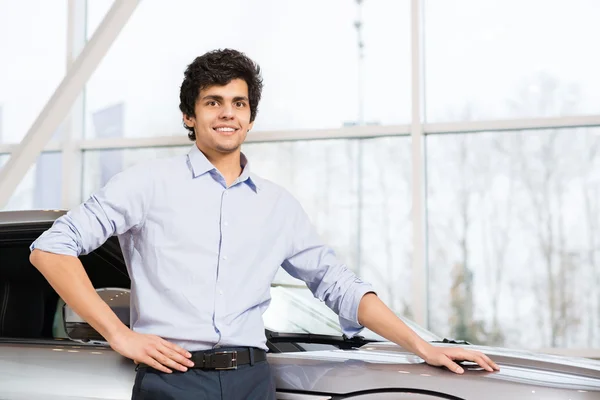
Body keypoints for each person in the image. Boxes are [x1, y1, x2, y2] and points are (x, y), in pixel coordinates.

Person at [29, 48, 499, 400]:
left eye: (238, 102)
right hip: (174, 381)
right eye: (213, 102)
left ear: (251, 117)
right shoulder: (147, 184)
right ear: (189, 116)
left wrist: (423, 346)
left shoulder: (278, 205)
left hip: (254, 381)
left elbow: (338, 285)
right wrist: (119, 333)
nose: (227, 112)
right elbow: (51, 248)